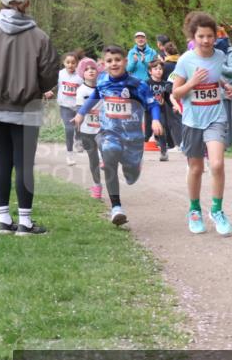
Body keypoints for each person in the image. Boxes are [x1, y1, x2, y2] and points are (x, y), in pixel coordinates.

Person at [0, 0, 59, 235]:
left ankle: (3, 219)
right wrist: (37, 87)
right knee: (24, 165)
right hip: (27, 109)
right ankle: (25, 222)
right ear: (27, 2)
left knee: (2, 162)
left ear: (0, 1)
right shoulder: (39, 36)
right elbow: (49, 74)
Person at [73, 45, 163, 225]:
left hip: (132, 137)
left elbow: (153, 104)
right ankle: (116, 207)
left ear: (125, 61)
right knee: (109, 152)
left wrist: (155, 120)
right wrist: (81, 113)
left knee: (131, 176)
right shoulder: (103, 81)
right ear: (104, 64)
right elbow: (95, 95)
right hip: (110, 132)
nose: (113, 63)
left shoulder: (138, 85)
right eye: (109, 61)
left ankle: (134, 166)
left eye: (117, 60)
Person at [171, 11, 232, 236]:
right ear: (193, 37)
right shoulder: (185, 60)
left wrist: (224, 85)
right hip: (193, 120)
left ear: (216, 37)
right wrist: (192, 83)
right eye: (201, 36)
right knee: (196, 168)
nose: (206, 40)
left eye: (210, 36)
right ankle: (194, 210)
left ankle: (217, 211)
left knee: (217, 164)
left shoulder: (220, 56)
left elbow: (216, 75)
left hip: (215, 118)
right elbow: (176, 93)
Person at [74, 62, 103, 199]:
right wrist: (78, 134)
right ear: (82, 73)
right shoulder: (81, 90)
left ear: (98, 72)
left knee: (105, 148)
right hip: (87, 130)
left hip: (102, 128)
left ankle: (106, 158)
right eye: (87, 69)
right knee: (93, 159)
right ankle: (97, 185)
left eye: (93, 68)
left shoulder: (103, 88)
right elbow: (79, 111)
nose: (91, 71)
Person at [52, 52, 82, 166]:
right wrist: (49, 90)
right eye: (68, 62)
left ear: (77, 63)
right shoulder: (60, 74)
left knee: (78, 127)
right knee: (69, 130)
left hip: (78, 106)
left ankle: (78, 139)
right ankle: (69, 155)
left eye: (73, 62)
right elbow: (53, 84)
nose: (70, 65)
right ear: (63, 63)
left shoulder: (80, 76)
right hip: (65, 106)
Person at [145, 58, 170, 161]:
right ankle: (137, 152)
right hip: (148, 111)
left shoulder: (165, 84)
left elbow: (168, 98)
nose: (158, 71)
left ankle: (163, 152)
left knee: (161, 129)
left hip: (161, 110)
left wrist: (173, 105)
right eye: (155, 69)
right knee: (147, 133)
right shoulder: (146, 83)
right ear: (150, 71)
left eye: (160, 69)